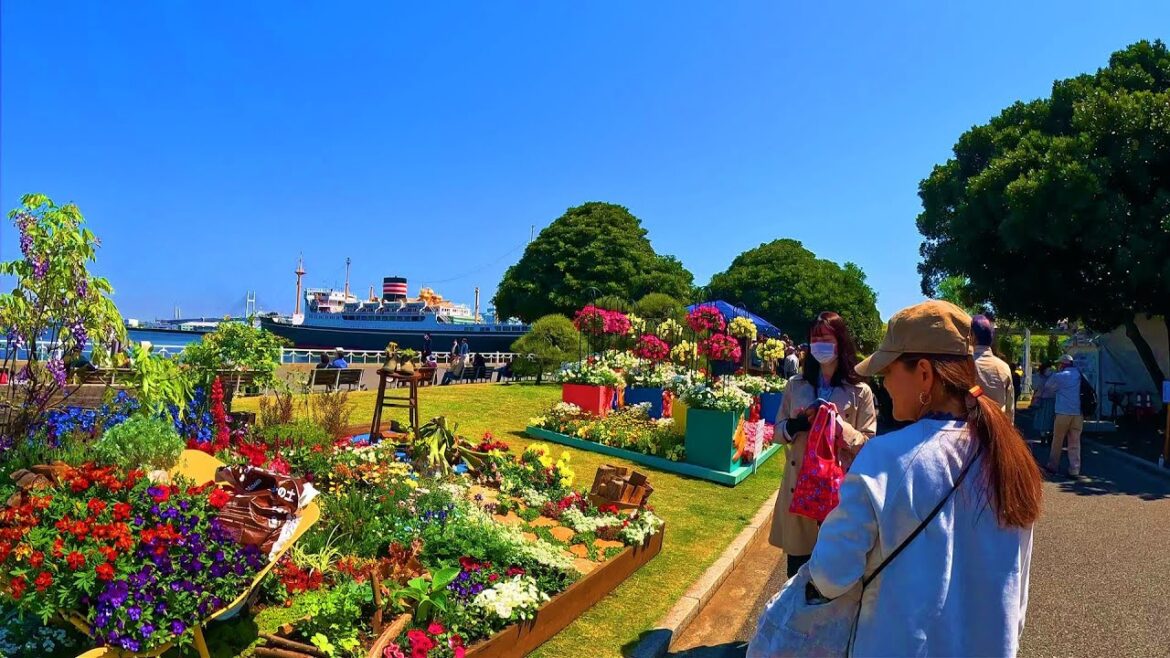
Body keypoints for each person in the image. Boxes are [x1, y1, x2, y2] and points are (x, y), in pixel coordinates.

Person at [772, 300, 1041, 657]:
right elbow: (1016, 591)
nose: (884, 384)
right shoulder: (1011, 458)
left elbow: (830, 574)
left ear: (925, 374)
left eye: (888, 371)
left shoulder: (886, 457)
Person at [769, 311, 877, 578]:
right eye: (815, 338)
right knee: (796, 572)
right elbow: (777, 431)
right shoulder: (796, 385)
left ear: (840, 341)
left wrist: (839, 426)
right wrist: (796, 426)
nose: (819, 345)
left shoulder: (860, 391)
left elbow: (869, 443)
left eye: (826, 338)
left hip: (837, 493)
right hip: (800, 489)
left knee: (832, 576)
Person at [1039, 354, 1085, 476]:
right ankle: (1075, 469)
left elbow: (1048, 387)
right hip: (1078, 413)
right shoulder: (1080, 375)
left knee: (1057, 440)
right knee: (1075, 441)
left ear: (1063, 364)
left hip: (1063, 412)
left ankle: (1053, 466)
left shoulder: (1059, 376)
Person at [972, 314, 1015, 424]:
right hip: (998, 427)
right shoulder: (1003, 367)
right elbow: (1010, 407)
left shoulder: (965, 365)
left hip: (970, 427)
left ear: (971, 336)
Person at [1031, 363, 1055, 439]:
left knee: (1042, 418)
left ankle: (1043, 435)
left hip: (1041, 399)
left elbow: (1034, 387)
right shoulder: (1053, 376)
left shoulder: (1038, 377)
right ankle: (1048, 434)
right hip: (1050, 399)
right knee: (1050, 417)